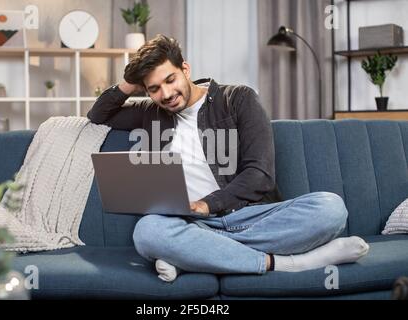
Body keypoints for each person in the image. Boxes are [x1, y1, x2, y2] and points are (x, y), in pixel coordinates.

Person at [87, 34, 369, 282]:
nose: (166, 94)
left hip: (250, 215)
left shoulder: (238, 99)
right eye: (154, 88)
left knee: (330, 208)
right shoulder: (151, 112)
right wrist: (130, 83)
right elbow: (99, 115)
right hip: (191, 224)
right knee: (148, 232)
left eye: (170, 79)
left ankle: (196, 256)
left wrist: (205, 205)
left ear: (185, 68)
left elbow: (260, 172)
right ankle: (282, 263)